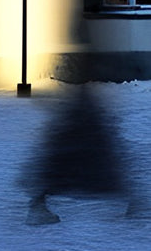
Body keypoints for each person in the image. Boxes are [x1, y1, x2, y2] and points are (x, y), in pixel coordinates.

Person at [21, 82, 145, 223]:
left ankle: (39, 203)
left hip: (82, 102)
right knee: (87, 154)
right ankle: (135, 200)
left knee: (73, 154)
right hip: (83, 102)